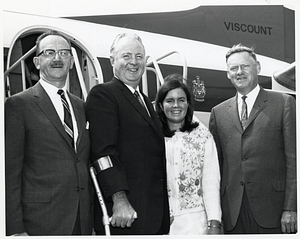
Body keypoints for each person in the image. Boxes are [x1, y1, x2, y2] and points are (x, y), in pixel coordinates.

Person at [5, 30, 93, 236]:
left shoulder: (81, 106)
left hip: (81, 221)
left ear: (72, 62)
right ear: (36, 61)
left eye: (63, 53)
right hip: (39, 223)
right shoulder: (17, 105)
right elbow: (10, 173)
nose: (57, 58)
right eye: (49, 52)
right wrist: (15, 230)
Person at [85, 33, 170, 235]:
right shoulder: (104, 95)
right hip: (126, 216)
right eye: (126, 56)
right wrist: (119, 199)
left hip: (152, 214)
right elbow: (103, 154)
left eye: (139, 57)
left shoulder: (145, 101)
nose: (133, 62)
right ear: (112, 60)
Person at [209, 44, 297, 234]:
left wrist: (291, 207)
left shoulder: (284, 103)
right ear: (227, 74)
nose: (239, 72)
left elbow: (294, 160)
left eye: (244, 66)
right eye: (233, 68)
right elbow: (216, 167)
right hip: (233, 214)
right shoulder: (218, 113)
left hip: (273, 211)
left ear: (257, 67)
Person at [155, 74, 222, 235]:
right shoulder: (153, 135)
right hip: (159, 221)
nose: (176, 105)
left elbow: (211, 182)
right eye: (169, 100)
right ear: (161, 105)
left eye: (181, 100)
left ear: (188, 103)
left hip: (195, 224)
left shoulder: (203, 136)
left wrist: (214, 224)